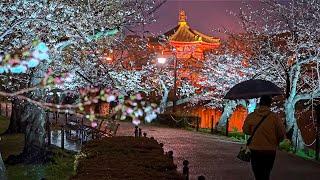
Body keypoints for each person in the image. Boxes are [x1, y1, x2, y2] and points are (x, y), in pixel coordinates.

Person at [243, 95, 286, 180]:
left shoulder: (252, 116)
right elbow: (281, 133)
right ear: (270, 104)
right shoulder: (274, 117)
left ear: (260, 103)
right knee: (266, 173)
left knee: (257, 173)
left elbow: (246, 130)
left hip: (255, 149)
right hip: (269, 150)